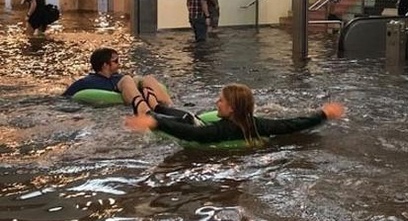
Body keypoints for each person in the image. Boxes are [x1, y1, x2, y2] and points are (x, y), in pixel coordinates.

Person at [124, 83, 345, 147]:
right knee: (165, 107)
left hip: (187, 121)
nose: (215, 102)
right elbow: (291, 125)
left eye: (220, 100)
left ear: (231, 109)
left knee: (151, 108)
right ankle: (150, 96)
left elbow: (191, 133)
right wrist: (323, 114)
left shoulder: (220, 130)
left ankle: (141, 95)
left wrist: (154, 123)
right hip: (190, 120)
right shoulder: (257, 124)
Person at [63, 47, 173, 117]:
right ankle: (144, 111)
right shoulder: (86, 82)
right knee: (126, 79)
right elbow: (64, 99)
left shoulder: (119, 77)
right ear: (105, 65)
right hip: (116, 106)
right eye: (115, 61)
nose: (119, 64)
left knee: (147, 78)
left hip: (130, 92)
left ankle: (170, 107)